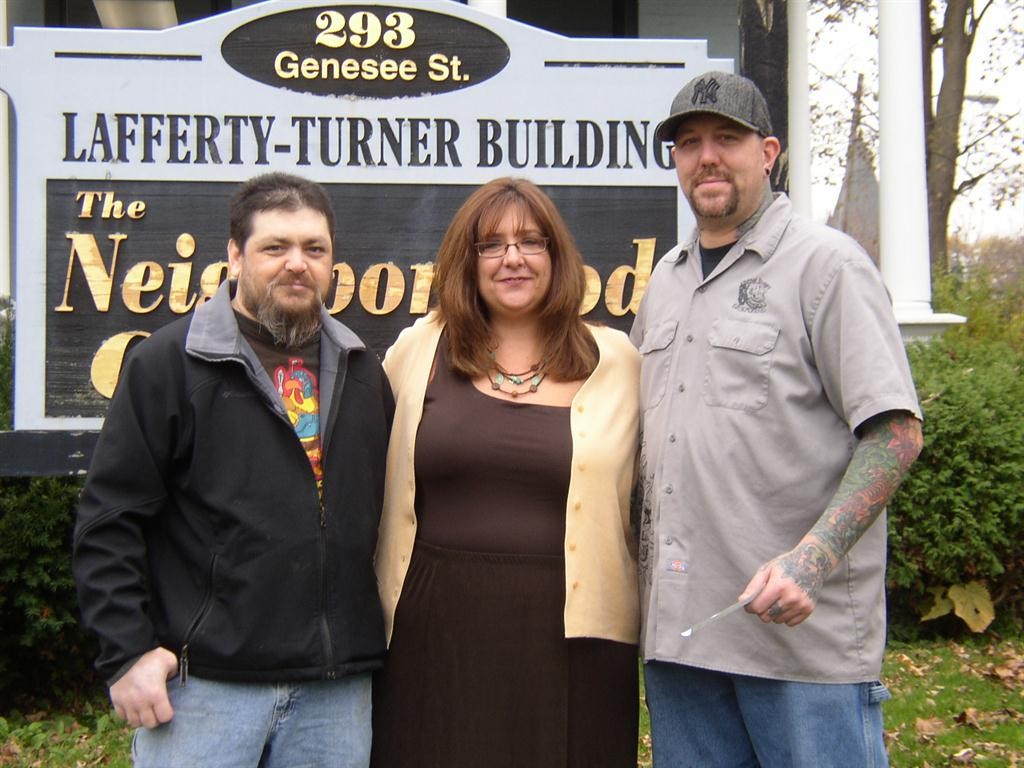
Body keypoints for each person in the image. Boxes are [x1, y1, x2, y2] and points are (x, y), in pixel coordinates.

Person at [631, 71, 924, 767]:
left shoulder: (827, 268)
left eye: (725, 140)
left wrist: (812, 560)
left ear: (767, 152)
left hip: (798, 645)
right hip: (680, 639)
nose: (706, 157)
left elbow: (895, 432)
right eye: (689, 142)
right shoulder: (667, 282)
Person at [72, 172, 394, 768]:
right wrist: (126, 652)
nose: (297, 264)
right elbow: (109, 521)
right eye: (275, 247)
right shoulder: (168, 364)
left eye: (314, 249)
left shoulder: (363, 372)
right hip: (204, 692)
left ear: (332, 263)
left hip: (334, 692)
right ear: (234, 255)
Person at [371, 177, 641, 768]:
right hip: (433, 631)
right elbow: (358, 472)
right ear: (466, 264)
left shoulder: (619, 362)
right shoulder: (420, 349)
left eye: (530, 241)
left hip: (576, 641)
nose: (512, 258)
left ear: (557, 255)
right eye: (490, 245)